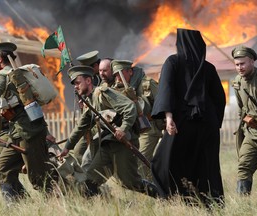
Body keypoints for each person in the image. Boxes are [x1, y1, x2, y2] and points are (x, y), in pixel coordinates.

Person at [151, 29, 226, 207]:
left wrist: (168, 118)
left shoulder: (173, 61)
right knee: (206, 165)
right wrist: (215, 122)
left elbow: (166, 90)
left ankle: (175, 200)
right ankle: (210, 204)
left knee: (162, 162)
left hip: (180, 124)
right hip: (207, 125)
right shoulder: (208, 68)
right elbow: (219, 99)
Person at [0, 42, 58, 205]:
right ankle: (18, 209)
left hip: (28, 134)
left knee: (38, 179)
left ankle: (61, 205)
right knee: (2, 169)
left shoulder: (2, 76)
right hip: (18, 133)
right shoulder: (14, 74)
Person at [59, 65, 157, 198]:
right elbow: (80, 128)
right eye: (74, 84)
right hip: (107, 146)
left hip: (122, 144)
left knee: (130, 183)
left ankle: (163, 196)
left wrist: (123, 128)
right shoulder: (89, 101)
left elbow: (129, 108)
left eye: (77, 82)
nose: (75, 86)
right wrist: (66, 148)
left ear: (88, 81)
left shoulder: (102, 93)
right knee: (90, 181)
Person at [111, 59, 163, 179]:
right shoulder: (117, 89)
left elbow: (162, 104)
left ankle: (153, 191)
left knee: (141, 162)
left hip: (149, 127)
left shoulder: (147, 84)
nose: (118, 77)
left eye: (120, 73)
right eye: (115, 75)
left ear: (130, 72)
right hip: (132, 130)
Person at [231, 45, 257, 195]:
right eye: (237, 64)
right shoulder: (237, 82)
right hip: (251, 133)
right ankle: (243, 207)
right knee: (243, 167)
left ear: (252, 61)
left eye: (243, 63)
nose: (240, 67)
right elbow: (241, 109)